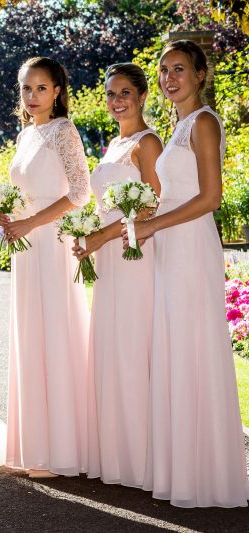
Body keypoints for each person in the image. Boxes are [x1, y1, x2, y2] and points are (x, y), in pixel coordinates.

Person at [125, 40, 249, 507]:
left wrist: (151, 225)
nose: (169, 78)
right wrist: (139, 218)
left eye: (179, 69)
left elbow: (211, 198)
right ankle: (183, 471)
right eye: (162, 71)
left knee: (193, 348)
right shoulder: (176, 127)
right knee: (174, 349)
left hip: (192, 246)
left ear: (201, 75)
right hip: (170, 245)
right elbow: (174, 191)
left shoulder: (203, 124)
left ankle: (210, 476)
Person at [72, 64, 162, 489]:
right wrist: (86, 235)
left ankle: (142, 462)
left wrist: (101, 236)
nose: (116, 100)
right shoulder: (112, 145)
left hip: (134, 255)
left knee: (131, 348)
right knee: (111, 348)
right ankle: (117, 456)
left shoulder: (148, 144)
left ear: (143, 95)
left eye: (125, 92)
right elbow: (109, 203)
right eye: (110, 93)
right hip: (109, 256)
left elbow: (151, 207)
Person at [1, 57, 91, 478]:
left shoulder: (63, 131)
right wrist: (6, 219)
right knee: (31, 334)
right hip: (24, 246)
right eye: (25, 88)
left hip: (50, 244)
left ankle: (62, 450)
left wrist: (30, 222)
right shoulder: (25, 135)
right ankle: (36, 446)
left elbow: (80, 192)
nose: (32, 96)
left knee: (54, 331)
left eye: (40, 88)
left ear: (57, 90)